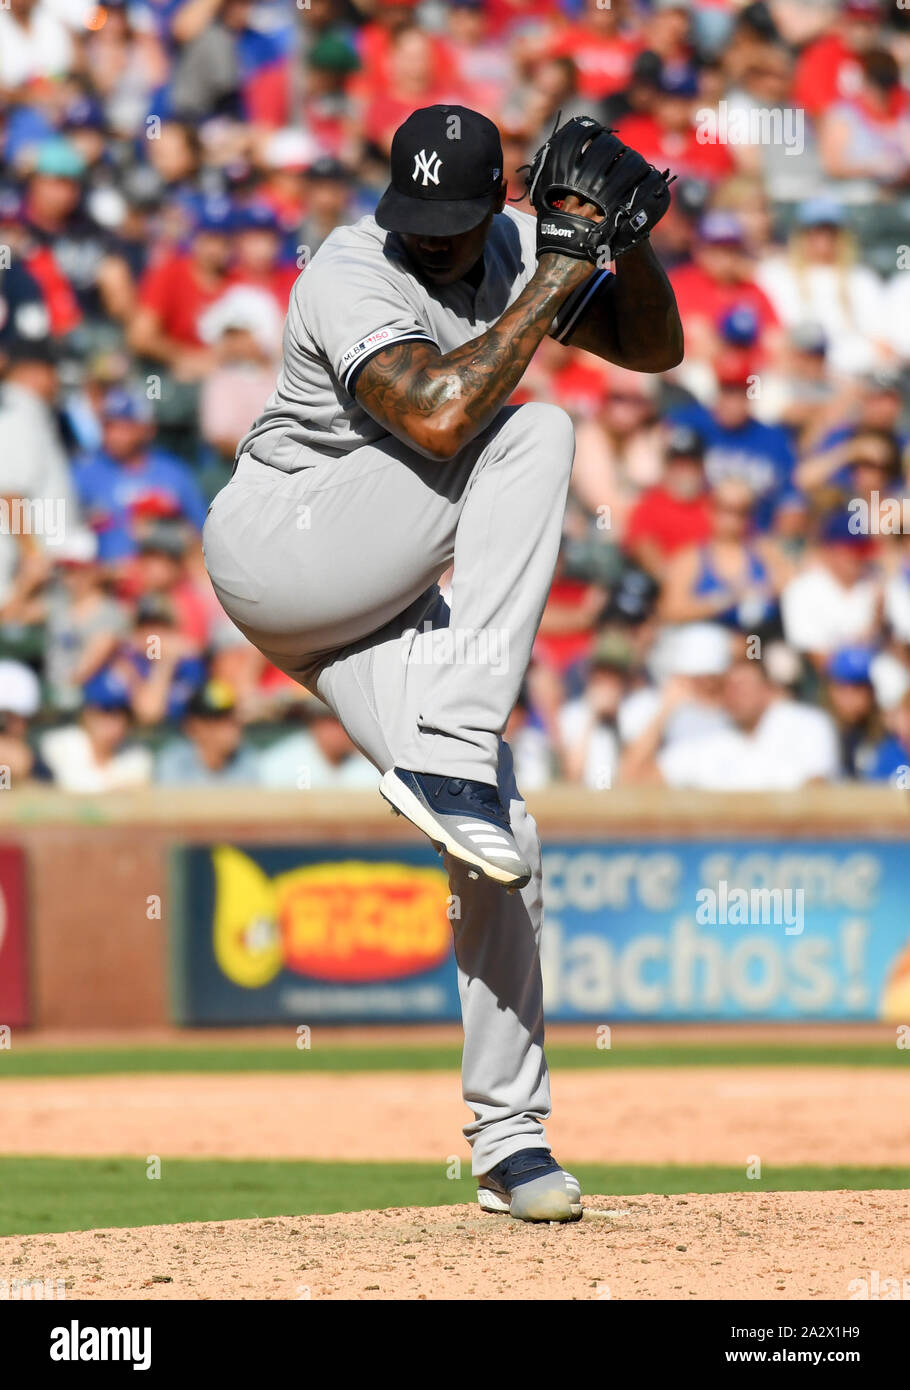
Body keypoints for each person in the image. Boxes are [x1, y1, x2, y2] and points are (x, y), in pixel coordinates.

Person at [203, 105, 681, 1224]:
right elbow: (437, 416)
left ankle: (511, 1144)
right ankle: (455, 743)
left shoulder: (514, 247)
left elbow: (654, 349)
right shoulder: (347, 270)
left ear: (497, 203)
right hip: (287, 546)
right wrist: (562, 272)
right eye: (415, 217)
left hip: (377, 596)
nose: (431, 237)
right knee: (531, 432)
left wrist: (624, 242)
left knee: (501, 840)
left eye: (454, 222)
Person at [626, 654, 841, 789]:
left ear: (768, 690)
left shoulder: (806, 724)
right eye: (730, 687)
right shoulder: (709, 739)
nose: (736, 693)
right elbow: (632, 778)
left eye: (744, 685)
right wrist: (666, 708)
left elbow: (817, 789)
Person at [155, 678, 260, 786]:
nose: (231, 725)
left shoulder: (245, 758)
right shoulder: (174, 762)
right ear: (194, 725)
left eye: (232, 716)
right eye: (218, 718)